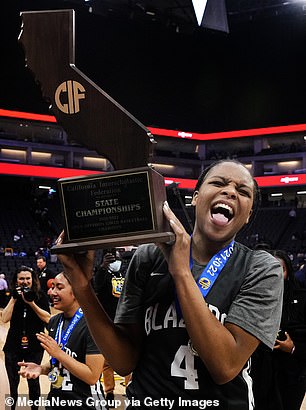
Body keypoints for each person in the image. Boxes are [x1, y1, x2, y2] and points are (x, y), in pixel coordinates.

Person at [56, 160, 283, 410]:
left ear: (249, 213)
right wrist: (81, 286)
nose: (230, 191)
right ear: (195, 198)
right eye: (218, 183)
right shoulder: (148, 257)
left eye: (242, 191)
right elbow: (123, 361)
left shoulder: (260, 268)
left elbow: (225, 366)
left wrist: (181, 272)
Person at [19, 272, 106, 410]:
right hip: (56, 401)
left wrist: (58, 353)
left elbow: (92, 376)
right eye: (52, 287)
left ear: (77, 291)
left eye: (59, 287)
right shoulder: (54, 321)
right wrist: (42, 369)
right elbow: (60, 363)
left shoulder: (93, 325)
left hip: (85, 403)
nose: (51, 292)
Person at [252, 250, 306, 410]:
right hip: (258, 371)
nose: (273, 275)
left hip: (290, 374)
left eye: (279, 269)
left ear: (288, 272)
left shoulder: (302, 299)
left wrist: (293, 348)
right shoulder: (251, 297)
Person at [2, 265, 50, 410]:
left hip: (34, 345)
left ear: (32, 280)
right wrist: (14, 299)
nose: (24, 281)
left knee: (33, 383)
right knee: (12, 382)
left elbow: (48, 318)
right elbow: (4, 318)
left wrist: (32, 303)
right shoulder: (13, 296)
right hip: (13, 345)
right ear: (16, 281)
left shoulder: (40, 295)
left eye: (27, 278)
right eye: (21, 279)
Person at [94, 249, 131, 403]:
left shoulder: (125, 273)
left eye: (116, 257)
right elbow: (96, 285)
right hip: (108, 321)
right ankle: (109, 391)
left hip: (125, 320)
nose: (114, 260)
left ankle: (129, 387)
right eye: (110, 258)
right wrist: (103, 267)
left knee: (129, 355)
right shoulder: (101, 273)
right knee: (107, 360)